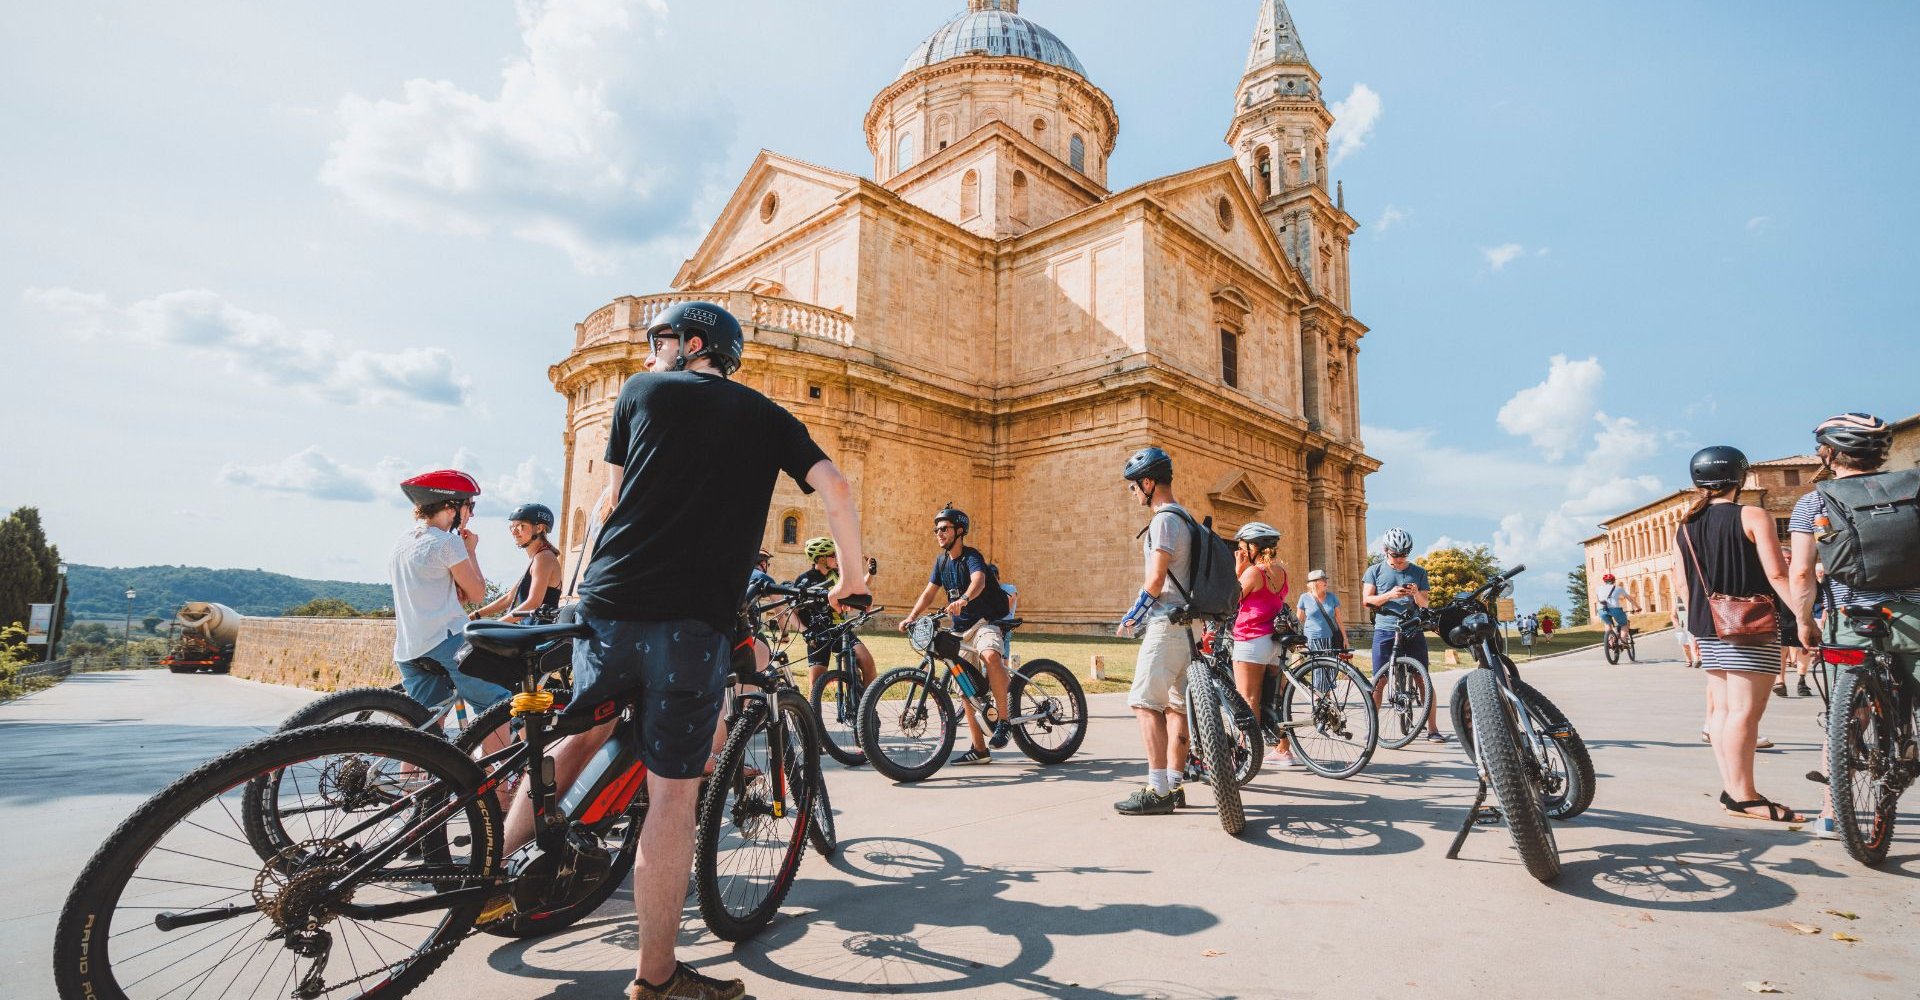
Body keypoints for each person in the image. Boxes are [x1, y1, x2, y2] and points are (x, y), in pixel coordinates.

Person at [506, 300, 868, 1000]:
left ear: (692, 343)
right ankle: (657, 978)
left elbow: (606, 505)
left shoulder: (637, 392)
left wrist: (575, 595)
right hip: (689, 624)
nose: (651, 354)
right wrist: (850, 580)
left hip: (606, 609)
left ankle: (494, 873)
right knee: (673, 798)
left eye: (661, 340)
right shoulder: (763, 414)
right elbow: (836, 487)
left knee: (576, 740)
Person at [1786, 413, 1920, 840]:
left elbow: (1803, 574)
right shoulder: (1915, 491)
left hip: (1853, 621)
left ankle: (1831, 812)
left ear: (1829, 453)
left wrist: (1804, 622)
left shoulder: (1814, 502)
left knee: (1845, 717)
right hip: (1914, 618)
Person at [1671, 445, 1803, 823]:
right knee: (1745, 712)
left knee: (1725, 710)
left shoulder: (1685, 525)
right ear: (1739, 477)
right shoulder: (1753, 515)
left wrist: (1698, 622)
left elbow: (1682, 584)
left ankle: (1734, 790)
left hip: (1708, 625)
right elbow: (1778, 574)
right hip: (1748, 626)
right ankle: (1745, 796)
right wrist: (1804, 616)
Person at [391, 470, 512, 716]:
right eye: (469, 505)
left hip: (409, 647)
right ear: (451, 506)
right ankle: (503, 756)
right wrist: (471, 551)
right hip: (447, 641)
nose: (472, 513)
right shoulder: (447, 542)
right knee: (496, 706)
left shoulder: (402, 542)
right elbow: (477, 594)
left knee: (427, 721)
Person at [897, 507, 1013, 764]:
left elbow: (979, 581)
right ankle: (980, 749)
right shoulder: (941, 562)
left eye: (944, 528)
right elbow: (929, 593)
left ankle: (1004, 722)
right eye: (936, 529)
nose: (939, 533)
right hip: (960, 630)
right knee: (964, 691)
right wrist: (912, 617)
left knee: (991, 655)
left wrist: (963, 598)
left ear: (959, 531)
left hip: (984, 623)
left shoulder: (972, 557)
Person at [1113, 447, 1193, 815]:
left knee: (1144, 703)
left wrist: (1133, 616)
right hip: (1190, 627)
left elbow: (1156, 579)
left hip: (1166, 625)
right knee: (1177, 707)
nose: (1133, 494)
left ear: (1148, 483)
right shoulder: (1187, 518)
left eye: (1134, 487)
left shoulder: (1163, 520)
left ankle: (1157, 789)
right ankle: (1175, 785)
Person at [1362, 528, 1445, 743]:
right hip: (1385, 629)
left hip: (1412, 629)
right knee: (1379, 681)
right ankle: (1372, 727)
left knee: (1422, 678)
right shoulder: (1375, 570)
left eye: (1403, 555)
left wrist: (1416, 592)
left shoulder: (1419, 572)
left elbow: (1425, 604)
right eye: (1395, 555)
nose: (1399, 559)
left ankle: (1433, 729)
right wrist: (1390, 595)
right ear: (1385, 550)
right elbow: (1367, 600)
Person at [1229, 522, 1297, 769]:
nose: (1240, 550)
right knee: (1274, 700)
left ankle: (1247, 755)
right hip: (1274, 643)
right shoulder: (1281, 572)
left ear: (1252, 547)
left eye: (1242, 546)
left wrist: (1239, 570)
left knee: (1248, 699)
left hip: (1251, 638)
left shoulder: (1253, 573)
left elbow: (1231, 600)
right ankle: (1283, 750)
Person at [793, 536, 876, 702]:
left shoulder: (838, 575)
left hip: (841, 630)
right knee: (816, 684)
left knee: (867, 662)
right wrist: (805, 631)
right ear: (822, 558)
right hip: (818, 634)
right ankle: (811, 723)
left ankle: (867, 709)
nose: (837, 559)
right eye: (834, 555)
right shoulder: (805, 580)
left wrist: (871, 573)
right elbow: (793, 611)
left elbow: (857, 589)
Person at [469, 503, 562, 624]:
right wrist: (475, 615)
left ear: (539, 528)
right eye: (512, 527)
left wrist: (497, 625)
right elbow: (510, 597)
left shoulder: (544, 558)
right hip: (529, 631)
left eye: (521, 526)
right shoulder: (537, 558)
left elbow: (533, 603)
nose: (514, 532)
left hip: (538, 635)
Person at [1297, 569, 1344, 652]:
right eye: (1323, 579)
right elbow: (1298, 621)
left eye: (1326, 579)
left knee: (1330, 664)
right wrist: (1298, 640)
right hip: (1311, 640)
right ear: (1314, 583)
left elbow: (1339, 620)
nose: (1326, 581)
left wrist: (1345, 638)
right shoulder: (1304, 597)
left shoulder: (1332, 597)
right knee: (1314, 664)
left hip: (1331, 639)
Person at [1595, 573, 1640, 651]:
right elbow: (1630, 599)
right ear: (1613, 581)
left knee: (1608, 624)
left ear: (1604, 581)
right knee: (1624, 624)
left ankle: (1611, 642)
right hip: (1615, 609)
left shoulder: (1598, 588)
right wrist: (1638, 607)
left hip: (1601, 609)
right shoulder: (1618, 588)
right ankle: (1624, 642)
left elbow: (1598, 599)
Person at [1673, 598, 1701, 669]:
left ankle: (1696, 660)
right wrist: (1675, 622)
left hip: (1690, 625)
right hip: (1681, 626)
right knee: (1685, 645)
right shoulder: (1677, 600)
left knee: (1692, 642)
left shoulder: (1692, 599)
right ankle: (1689, 659)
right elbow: (1673, 614)